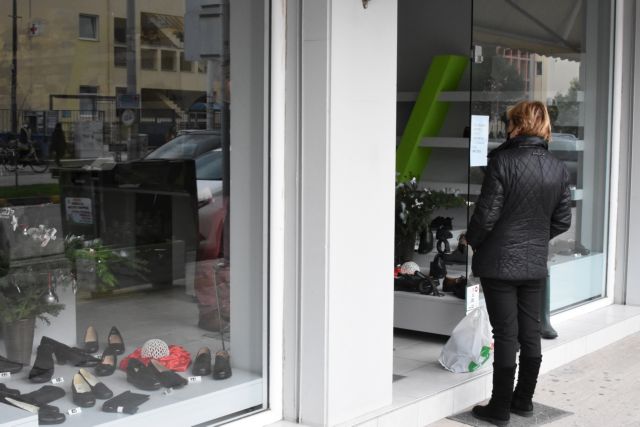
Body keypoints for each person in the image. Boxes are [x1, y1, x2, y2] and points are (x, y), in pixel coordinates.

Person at [466, 101, 572, 426]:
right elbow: (563, 220)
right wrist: (536, 238)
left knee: (505, 333)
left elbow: (486, 216)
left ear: (517, 125)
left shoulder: (502, 162)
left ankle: (499, 408)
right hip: (534, 262)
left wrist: (472, 240)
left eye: (510, 122)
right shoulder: (558, 168)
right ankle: (523, 400)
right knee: (530, 332)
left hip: (499, 261)